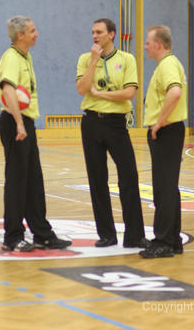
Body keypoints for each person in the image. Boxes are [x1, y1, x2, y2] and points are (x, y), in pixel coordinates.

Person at [0, 15, 72, 252]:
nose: (37, 34)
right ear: (20, 35)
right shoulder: (11, 58)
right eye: (32, 30)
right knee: (17, 182)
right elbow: (8, 91)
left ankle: (42, 234)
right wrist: (19, 124)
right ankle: (12, 237)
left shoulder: (25, 56)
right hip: (15, 123)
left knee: (33, 182)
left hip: (26, 123)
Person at [76, 18, 147, 248]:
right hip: (91, 123)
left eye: (99, 32)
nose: (94, 36)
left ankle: (134, 236)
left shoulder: (126, 59)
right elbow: (82, 89)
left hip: (116, 124)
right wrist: (93, 61)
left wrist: (101, 95)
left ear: (112, 34)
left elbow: (129, 93)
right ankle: (106, 234)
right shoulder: (85, 59)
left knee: (129, 177)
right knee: (97, 180)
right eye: (93, 32)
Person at [139, 25, 187, 259]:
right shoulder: (168, 64)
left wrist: (159, 123)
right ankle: (173, 240)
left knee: (163, 188)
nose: (145, 47)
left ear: (158, 44)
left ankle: (164, 241)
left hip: (166, 132)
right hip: (169, 132)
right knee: (168, 187)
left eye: (148, 43)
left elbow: (175, 92)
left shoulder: (167, 64)